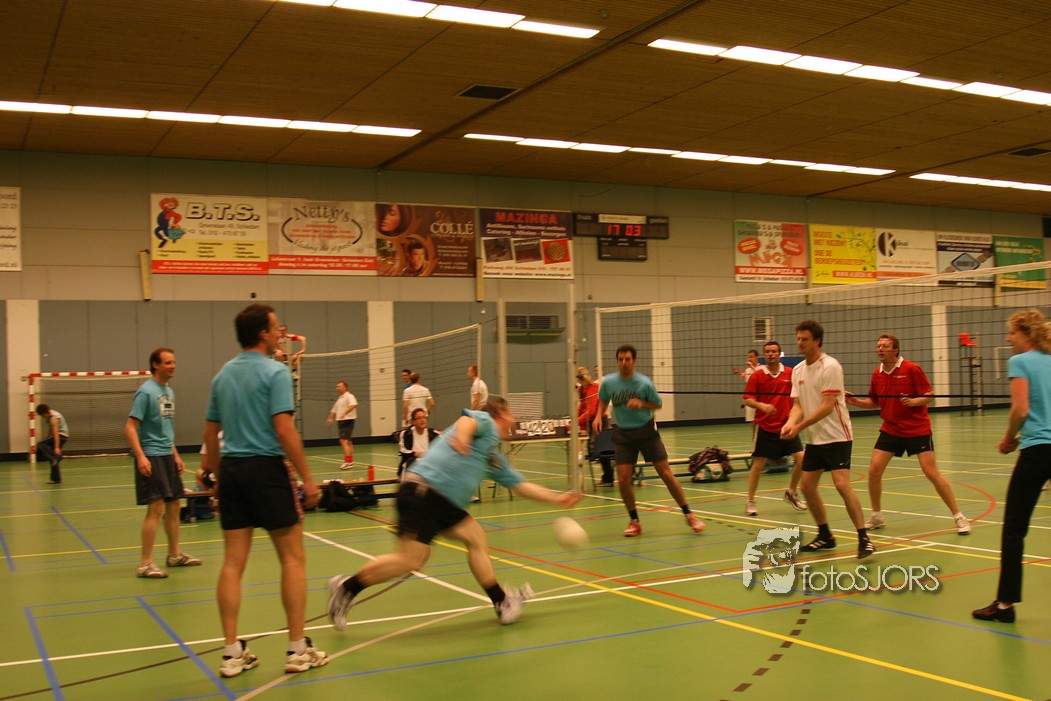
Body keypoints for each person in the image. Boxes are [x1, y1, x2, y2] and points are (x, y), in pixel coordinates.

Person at [326, 396, 580, 630]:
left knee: (476, 539)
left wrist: (557, 498)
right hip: (423, 492)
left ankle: (502, 602)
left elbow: (520, 486)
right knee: (411, 560)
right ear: (501, 415)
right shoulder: (486, 423)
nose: (513, 421)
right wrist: (461, 438)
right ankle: (346, 587)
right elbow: (467, 421)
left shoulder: (492, 457)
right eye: (511, 415)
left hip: (443, 503)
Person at [203, 304, 327, 678]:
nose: (280, 334)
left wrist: (218, 479)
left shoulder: (222, 376)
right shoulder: (276, 372)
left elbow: (210, 433)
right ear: (262, 334)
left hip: (232, 471)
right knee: (292, 558)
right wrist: (308, 478)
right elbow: (284, 429)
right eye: (276, 329)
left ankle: (231, 653)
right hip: (267, 470)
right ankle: (297, 649)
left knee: (232, 563)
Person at [845, 334, 970, 535]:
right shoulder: (877, 374)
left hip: (917, 428)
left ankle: (959, 516)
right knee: (874, 470)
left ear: (895, 350)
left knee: (931, 472)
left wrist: (913, 402)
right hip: (891, 428)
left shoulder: (911, 368)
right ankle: (877, 515)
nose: (880, 349)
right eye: (878, 346)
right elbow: (875, 402)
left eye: (885, 346)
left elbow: (929, 395)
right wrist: (855, 402)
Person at [972, 309, 1051, 623]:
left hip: (1036, 453)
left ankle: (1004, 605)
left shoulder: (1019, 362)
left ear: (1026, 335)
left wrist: (1008, 439)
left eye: (1012, 333)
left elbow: (1021, 408)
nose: (1008, 339)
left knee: (1014, 528)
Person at [780, 320, 875, 559]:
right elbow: (798, 404)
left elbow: (827, 406)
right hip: (815, 438)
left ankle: (864, 538)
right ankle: (825, 535)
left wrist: (799, 426)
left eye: (805, 339)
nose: (800, 343)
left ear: (817, 341)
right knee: (807, 487)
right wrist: (790, 422)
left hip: (837, 436)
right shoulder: (798, 370)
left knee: (842, 485)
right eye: (798, 338)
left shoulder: (830, 366)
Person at [593, 344, 706, 537]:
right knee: (623, 479)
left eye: (627, 359)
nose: (624, 363)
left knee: (666, 473)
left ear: (634, 361)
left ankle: (689, 514)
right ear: (617, 362)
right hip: (623, 434)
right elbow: (603, 399)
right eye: (620, 359)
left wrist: (642, 404)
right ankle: (634, 521)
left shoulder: (644, 383)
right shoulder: (609, 382)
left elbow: (658, 404)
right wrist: (598, 415)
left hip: (646, 431)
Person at [124, 348, 201, 578]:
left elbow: (166, 429)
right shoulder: (146, 392)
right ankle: (145, 563)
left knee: (174, 505)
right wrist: (141, 456)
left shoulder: (169, 391)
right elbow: (130, 428)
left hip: (167, 455)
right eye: (168, 362)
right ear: (155, 365)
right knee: (156, 508)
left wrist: (175, 454)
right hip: (152, 455)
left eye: (174, 362)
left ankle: (174, 554)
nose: (173, 366)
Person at [742, 341, 807, 516]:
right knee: (758, 463)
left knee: (802, 459)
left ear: (779, 354)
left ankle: (791, 492)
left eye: (774, 351)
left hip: (786, 426)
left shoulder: (790, 373)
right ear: (764, 355)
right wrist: (762, 406)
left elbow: (799, 396)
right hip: (765, 426)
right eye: (767, 352)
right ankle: (750, 501)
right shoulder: (757, 376)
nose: (770, 354)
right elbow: (747, 399)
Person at [577, 367, 613, 486]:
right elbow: (582, 406)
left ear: (580, 379)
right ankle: (607, 477)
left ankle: (608, 478)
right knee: (596, 451)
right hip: (590, 422)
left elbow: (592, 411)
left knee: (601, 450)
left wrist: (577, 420)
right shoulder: (582, 389)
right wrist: (574, 418)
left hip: (599, 420)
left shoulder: (594, 388)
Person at [326, 380, 358, 470]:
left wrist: (345, 413)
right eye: (337, 386)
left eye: (339, 386)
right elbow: (334, 409)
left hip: (347, 420)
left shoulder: (349, 396)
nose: (337, 388)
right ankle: (350, 461)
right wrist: (330, 417)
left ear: (344, 387)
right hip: (341, 421)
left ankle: (347, 462)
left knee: (343, 441)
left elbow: (353, 405)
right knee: (348, 442)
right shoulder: (340, 398)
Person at [398, 408, 439, 476]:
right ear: (413, 422)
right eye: (419, 418)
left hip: (428, 466)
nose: (422, 420)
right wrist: (416, 454)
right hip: (412, 466)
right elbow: (403, 450)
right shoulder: (406, 434)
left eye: (424, 417)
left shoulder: (433, 433)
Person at [36, 404, 69, 485]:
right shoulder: (50, 415)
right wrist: (47, 438)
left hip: (61, 436)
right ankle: (56, 479)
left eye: (42, 415)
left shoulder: (54, 418)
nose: (42, 417)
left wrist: (57, 447)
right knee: (53, 459)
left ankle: (56, 458)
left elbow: (56, 433)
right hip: (60, 436)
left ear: (44, 413)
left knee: (40, 444)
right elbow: (50, 431)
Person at [734, 349, 761, 425]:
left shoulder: (762, 368)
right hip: (751, 398)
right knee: (752, 421)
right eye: (748, 357)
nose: (749, 359)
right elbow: (748, 385)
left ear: (757, 357)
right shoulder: (747, 370)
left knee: (760, 420)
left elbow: (760, 379)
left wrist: (752, 367)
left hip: (760, 399)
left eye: (751, 357)